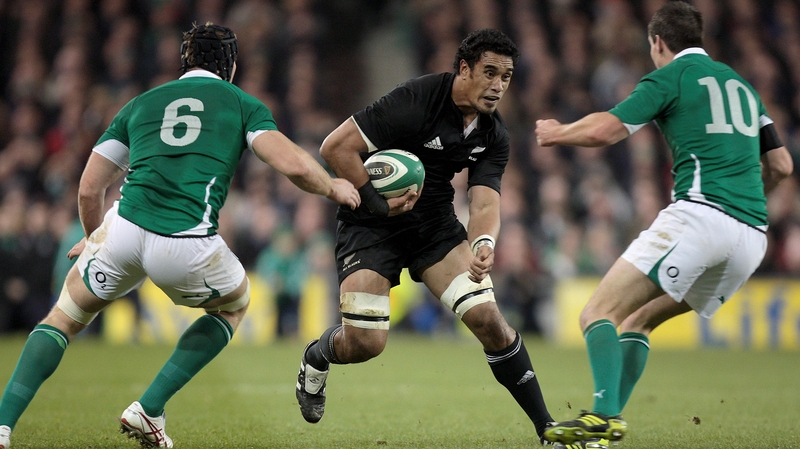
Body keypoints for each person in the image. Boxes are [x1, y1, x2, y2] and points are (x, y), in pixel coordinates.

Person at [0, 22, 359, 449]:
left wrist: (94, 236)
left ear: (184, 61)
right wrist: (331, 185)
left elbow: (89, 187)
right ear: (231, 65)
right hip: (185, 240)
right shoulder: (241, 103)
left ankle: (2, 426)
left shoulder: (141, 102)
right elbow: (294, 165)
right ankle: (148, 409)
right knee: (234, 306)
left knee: (62, 318)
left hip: (125, 229)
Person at [534, 3, 793, 448]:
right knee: (638, 321)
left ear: (657, 42)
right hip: (751, 237)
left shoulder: (671, 76)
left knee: (598, 312)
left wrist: (557, 132)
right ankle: (605, 425)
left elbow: (607, 130)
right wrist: (743, 201)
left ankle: (600, 418)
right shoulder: (744, 87)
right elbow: (782, 165)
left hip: (699, 217)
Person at [294, 28, 557, 446]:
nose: (498, 85)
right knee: (365, 344)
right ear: (464, 69)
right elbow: (335, 148)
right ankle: (316, 356)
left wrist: (484, 243)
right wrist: (375, 203)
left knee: (490, 321)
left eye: (506, 76)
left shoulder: (494, 134)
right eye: (489, 73)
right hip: (370, 224)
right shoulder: (416, 99)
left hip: (433, 226)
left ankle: (547, 428)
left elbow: (486, 203)